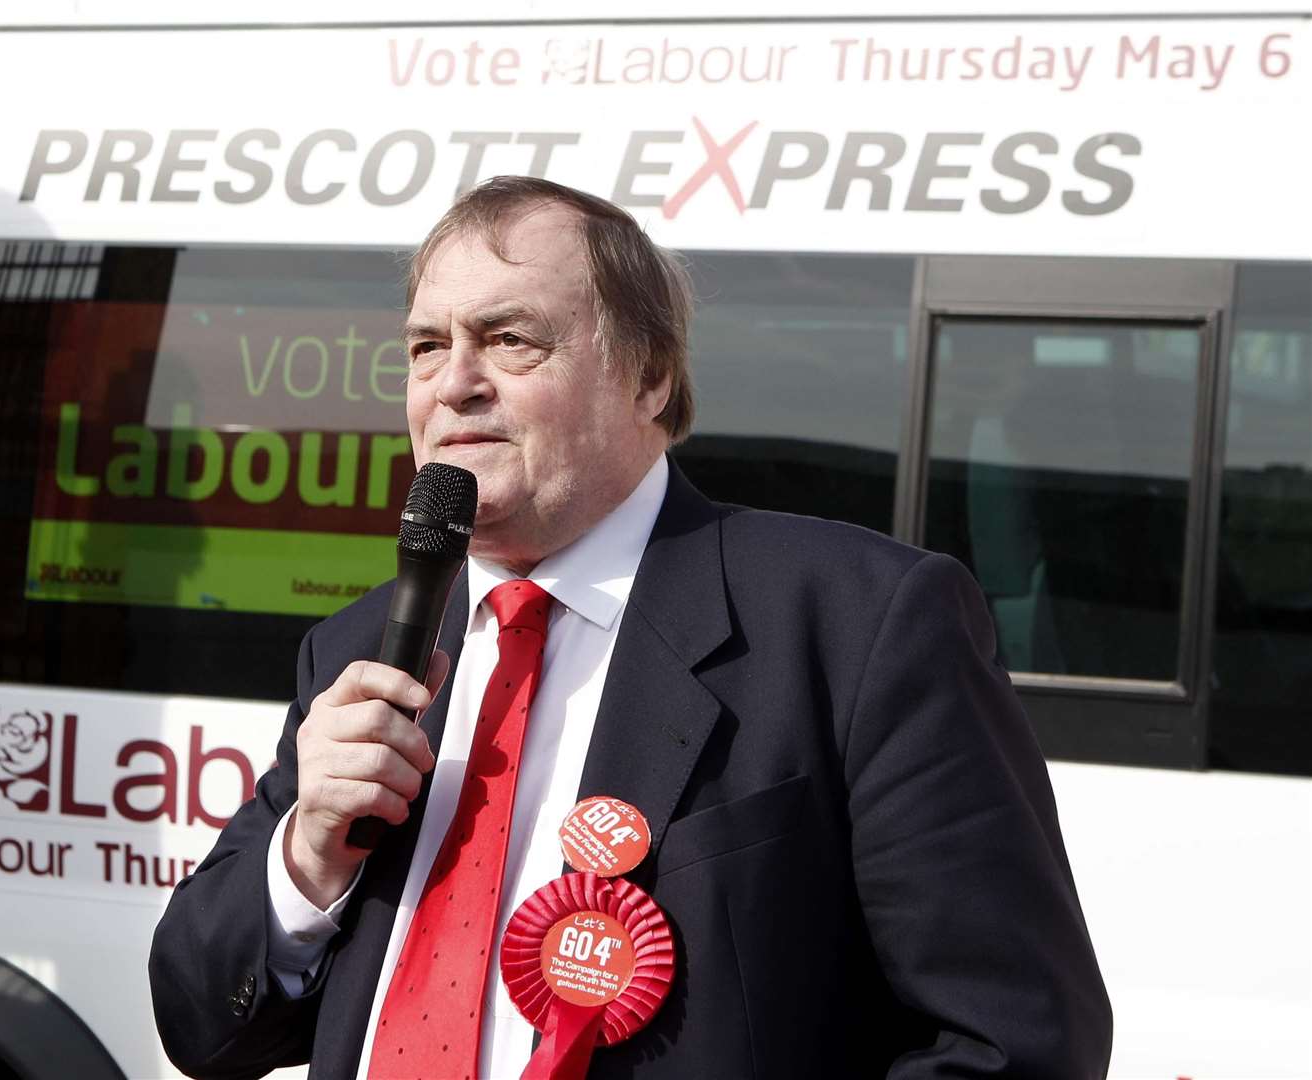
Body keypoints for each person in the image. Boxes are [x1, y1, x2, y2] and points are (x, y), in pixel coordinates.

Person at [149, 176, 1112, 1078]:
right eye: (426, 346)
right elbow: (200, 1024)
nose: (453, 384)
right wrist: (307, 854)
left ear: (648, 375)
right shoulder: (359, 648)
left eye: (510, 338)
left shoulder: (856, 619)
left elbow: (1012, 1041)